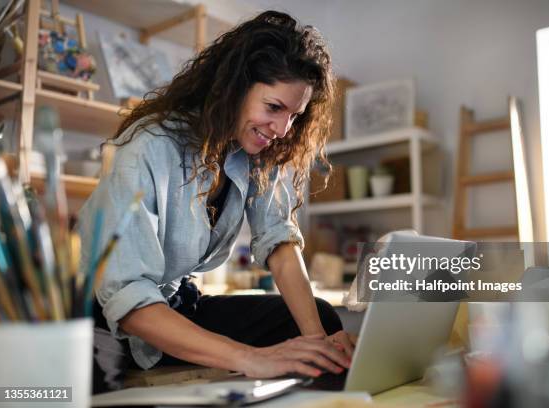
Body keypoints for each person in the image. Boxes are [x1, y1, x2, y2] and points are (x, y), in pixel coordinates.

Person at [78, 10, 356, 391]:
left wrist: (316, 343)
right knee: (89, 378)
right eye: (274, 108)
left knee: (319, 320)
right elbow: (128, 299)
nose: (282, 130)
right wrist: (249, 358)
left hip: (178, 307)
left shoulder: (258, 150)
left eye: (295, 115)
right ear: (235, 88)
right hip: (106, 319)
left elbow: (279, 243)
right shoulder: (150, 145)